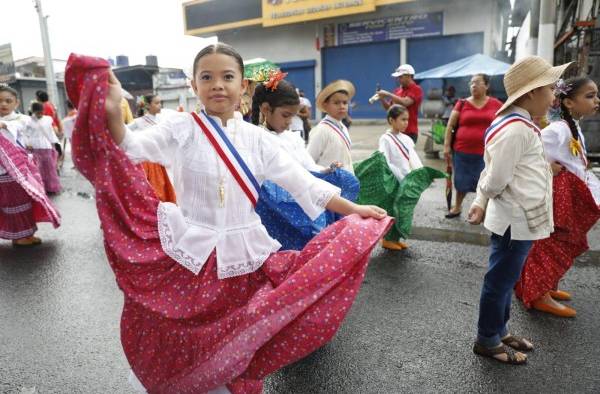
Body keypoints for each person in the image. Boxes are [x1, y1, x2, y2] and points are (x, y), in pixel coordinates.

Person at [65, 43, 391, 393]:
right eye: (207, 77)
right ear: (194, 86)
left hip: (245, 259)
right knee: (187, 337)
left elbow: (304, 185)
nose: (217, 84)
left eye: (227, 77)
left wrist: (355, 210)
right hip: (193, 256)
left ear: (243, 88)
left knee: (236, 342)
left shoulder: (257, 140)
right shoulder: (180, 129)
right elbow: (129, 147)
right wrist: (112, 103)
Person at [467, 56, 572, 365]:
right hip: (515, 221)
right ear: (530, 93)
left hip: (519, 220)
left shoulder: (521, 124)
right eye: (550, 89)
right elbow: (496, 177)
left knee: (505, 279)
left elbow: (508, 170)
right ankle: (487, 339)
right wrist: (482, 199)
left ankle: (499, 330)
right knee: (499, 282)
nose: (555, 95)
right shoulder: (516, 129)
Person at [515, 76, 600, 317]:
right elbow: (530, 154)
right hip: (559, 195)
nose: (597, 101)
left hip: (569, 193)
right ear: (569, 103)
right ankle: (538, 292)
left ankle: (545, 286)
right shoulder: (557, 130)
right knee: (554, 242)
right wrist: (547, 167)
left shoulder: (571, 127)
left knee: (558, 241)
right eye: (590, 96)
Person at [251, 76, 359, 250]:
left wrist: (326, 170)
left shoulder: (291, 137)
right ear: (265, 109)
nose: (289, 122)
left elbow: (308, 165)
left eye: (292, 116)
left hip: (301, 189)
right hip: (277, 202)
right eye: (285, 115)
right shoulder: (256, 139)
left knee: (345, 180)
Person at [355, 105, 445, 251]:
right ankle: (387, 239)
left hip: (406, 178)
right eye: (402, 119)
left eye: (407, 120)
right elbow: (384, 160)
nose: (406, 123)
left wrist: (421, 173)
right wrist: (395, 176)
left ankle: (396, 238)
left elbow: (413, 158)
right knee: (391, 209)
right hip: (393, 179)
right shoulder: (385, 138)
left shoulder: (407, 139)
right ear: (391, 120)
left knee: (403, 210)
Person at [0, 85, 60, 246]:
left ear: (16, 103)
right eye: (0, 101)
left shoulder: (20, 119)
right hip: (4, 171)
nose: (3, 104)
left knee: (25, 200)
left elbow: (20, 127)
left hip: (21, 167)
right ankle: (20, 236)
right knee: (13, 203)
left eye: (8, 101)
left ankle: (27, 233)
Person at [443, 74, 503, 218]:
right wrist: (446, 147)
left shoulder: (496, 104)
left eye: (477, 82)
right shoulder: (462, 103)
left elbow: (504, 123)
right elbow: (450, 125)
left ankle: (483, 211)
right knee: (460, 181)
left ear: (486, 86)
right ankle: (457, 207)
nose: (473, 86)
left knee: (485, 183)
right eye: (471, 83)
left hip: (486, 152)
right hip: (462, 151)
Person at [127, 94, 177, 203]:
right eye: (157, 103)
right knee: (153, 191)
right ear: (148, 106)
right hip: (148, 161)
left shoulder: (163, 119)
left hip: (161, 160)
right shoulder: (140, 121)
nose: (160, 105)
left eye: (160, 103)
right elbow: (126, 131)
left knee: (164, 190)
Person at [307, 80, 355, 173]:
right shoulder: (321, 130)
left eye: (345, 103)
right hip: (328, 184)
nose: (342, 106)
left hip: (345, 183)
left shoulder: (343, 128)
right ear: (325, 105)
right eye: (336, 103)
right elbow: (309, 161)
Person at [377, 64, 423, 142]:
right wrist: (382, 99)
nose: (398, 79)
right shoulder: (398, 90)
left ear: (409, 76)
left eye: (401, 77)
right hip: (396, 131)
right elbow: (389, 109)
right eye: (398, 77)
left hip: (409, 131)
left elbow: (405, 102)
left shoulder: (416, 89)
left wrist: (387, 94)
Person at [23, 102, 62, 194]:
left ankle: (52, 188)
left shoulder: (48, 119)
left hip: (46, 146)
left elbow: (50, 132)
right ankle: (40, 188)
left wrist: (56, 143)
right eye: (37, 112)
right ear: (33, 111)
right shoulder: (28, 121)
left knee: (50, 168)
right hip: (33, 147)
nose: (40, 114)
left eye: (41, 112)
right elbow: (25, 134)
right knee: (37, 169)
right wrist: (27, 143)